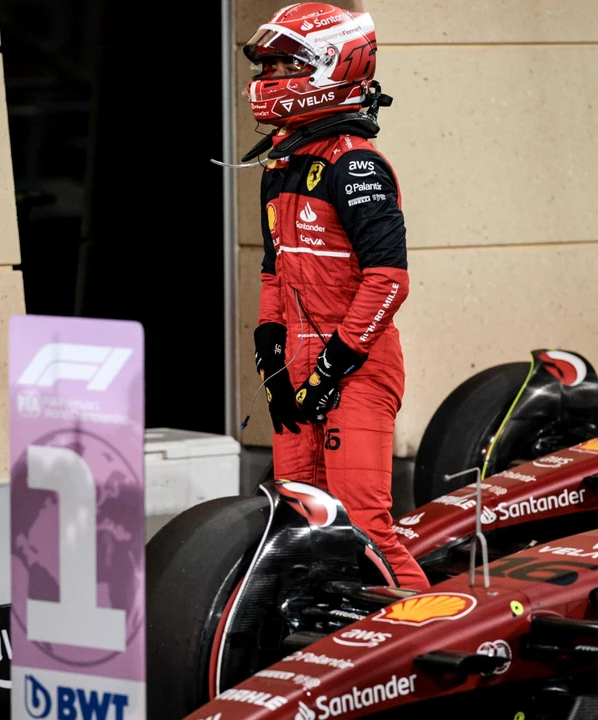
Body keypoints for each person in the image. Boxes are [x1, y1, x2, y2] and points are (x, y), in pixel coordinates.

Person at [241, 3, 428, 589]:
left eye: (282, 66)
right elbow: (274, 273)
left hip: (358, 369)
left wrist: (333, 365)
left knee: (366, 530)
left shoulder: (357, 166)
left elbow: (388, 281)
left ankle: (428, 643)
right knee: (301, 527)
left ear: (330, 68)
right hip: (299, 366)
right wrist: (272, 361)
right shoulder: (282, 163)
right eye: (266, 68)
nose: (267, 81)